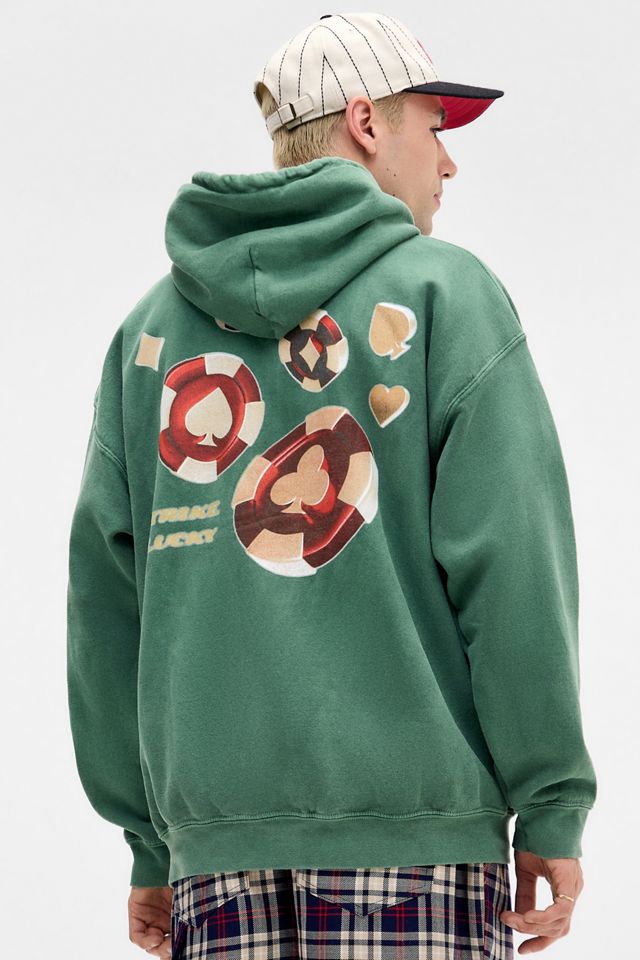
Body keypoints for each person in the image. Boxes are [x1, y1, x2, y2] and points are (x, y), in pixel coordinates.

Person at [65, 11, 597, 959]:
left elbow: (106, 605)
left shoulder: (150, 335)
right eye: (433, 126)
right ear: (366, 121)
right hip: (418, 848)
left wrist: (152, 843)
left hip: (216, 867)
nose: (448, 163)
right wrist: (551, 804)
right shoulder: (447, 296)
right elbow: (513, 569)